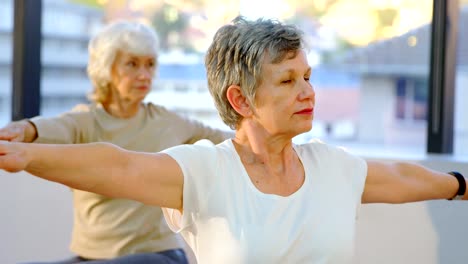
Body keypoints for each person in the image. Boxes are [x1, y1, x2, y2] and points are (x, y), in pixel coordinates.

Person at [0, 17, 466, 264]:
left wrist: (462, 182)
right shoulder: (205, 171)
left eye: (308, 76)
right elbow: (119, 164)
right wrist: (22, 153)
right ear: (240, 99)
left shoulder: (333, 167)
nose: (308, 92)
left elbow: (403, 177)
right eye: (287, 81)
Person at [0, 21, 232, 263]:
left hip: (158, 256)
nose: (144, 75)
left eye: (150, 64)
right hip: (91, 257)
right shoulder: (86, 121)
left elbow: (229, 142)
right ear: (107, 68)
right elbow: (51, 128)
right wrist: (22, 130)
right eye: (132, 64)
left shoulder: (168, 121)